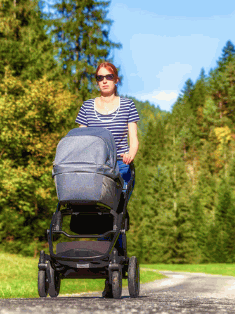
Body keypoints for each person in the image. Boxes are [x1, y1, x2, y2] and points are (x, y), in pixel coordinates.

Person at [74, 61, 140, 297]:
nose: (104, 80)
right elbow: (78, 140)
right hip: (95, 168)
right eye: (99, 77)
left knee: (115, 217)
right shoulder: (87, 107)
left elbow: (134, 138)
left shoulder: (128, 106)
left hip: (121, 167)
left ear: (116, 79)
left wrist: (131, 153)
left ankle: (115, 264)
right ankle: (106, 266)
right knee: (98, 216)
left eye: (108, 76)